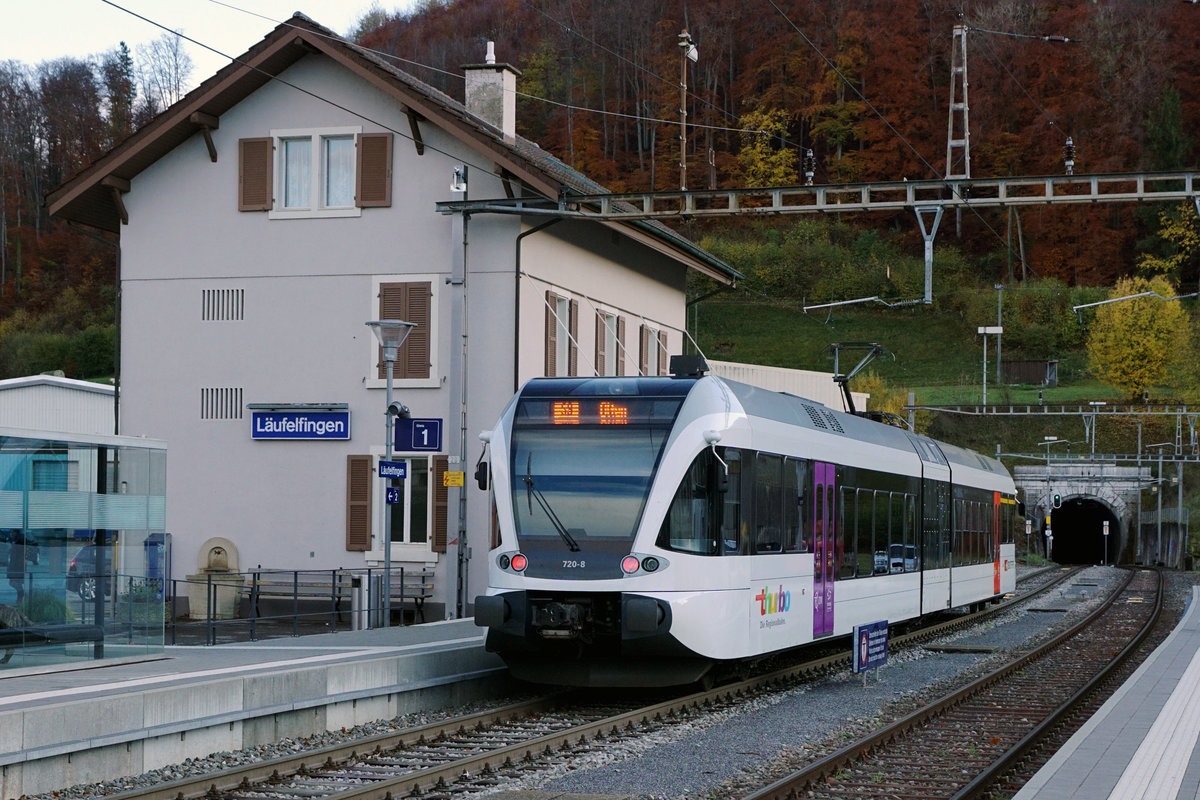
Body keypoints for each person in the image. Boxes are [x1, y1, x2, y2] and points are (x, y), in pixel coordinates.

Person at [6, 531, 36, 607]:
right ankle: (21, 596)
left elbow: (24, 551)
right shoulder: (16, 540)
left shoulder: (19, 540)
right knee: (15, 582)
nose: (11, 533)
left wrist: (26, 559)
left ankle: (21, 596)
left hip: (17, 566)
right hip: (16, 565)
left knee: (14, 582)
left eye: (12, 531)